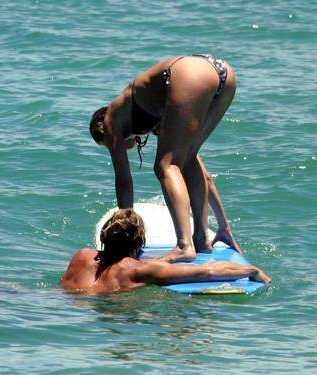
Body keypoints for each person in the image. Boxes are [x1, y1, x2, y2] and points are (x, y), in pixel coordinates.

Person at [89, 55, 241, 263]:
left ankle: (184, 246)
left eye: (107, 144)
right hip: (223, 73)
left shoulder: (110, 121)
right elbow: (204, 175)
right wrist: (223, 226)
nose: (116, 148)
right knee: (188, 158)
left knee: (166, 166)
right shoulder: (158, 116)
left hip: (189, 73)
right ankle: (201, 239)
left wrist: (126, 233)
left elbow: (124, 181)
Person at [61, 209, 270, 293]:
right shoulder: (139, 270)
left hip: (66, 307)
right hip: (112, 316)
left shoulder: (82, 256)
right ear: (139, 243)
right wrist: (251, 271)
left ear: (104, 236)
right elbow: (206, 272)